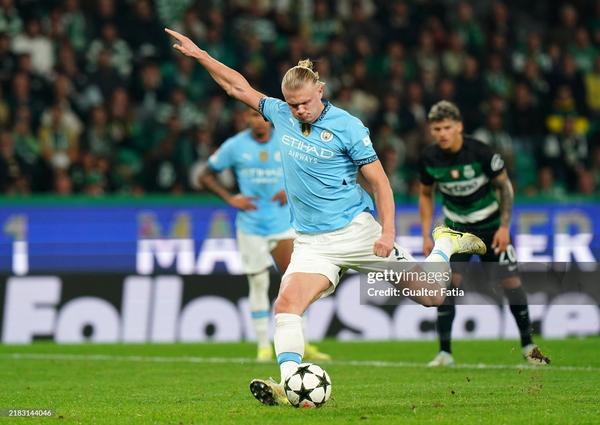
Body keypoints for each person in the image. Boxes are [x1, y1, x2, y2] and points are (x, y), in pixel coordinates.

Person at [165, 28, 486, 406]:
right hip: (312, 243)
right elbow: (238, 87)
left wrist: (388, 233)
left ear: (320, 90)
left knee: (431, 296)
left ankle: (446, 244)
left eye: (304, 103)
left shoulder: (348, 127)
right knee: (285, 306)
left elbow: (381, 184)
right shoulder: (281, 114)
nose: (299, 110)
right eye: (292, 104)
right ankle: (290, 384)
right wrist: (201, 54)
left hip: (357, 232)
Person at [419, 100, 550, 367]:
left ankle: (528, 346)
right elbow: (425, 193)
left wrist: (504, 227)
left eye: (446, 127)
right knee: (447, 287)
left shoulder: (480, 152)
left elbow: (505, 188)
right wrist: (425, 233)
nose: (442, 133)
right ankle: (445, 353)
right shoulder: (430, 158)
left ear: (459, 127)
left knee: (511, 284)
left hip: (491, 227)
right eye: (437, 129)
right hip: (456, 231)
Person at [200, 107, 331, 362]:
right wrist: (230, 198)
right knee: (258, 284)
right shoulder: (234, 146)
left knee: (296, 282)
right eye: (251, 116)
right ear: (244, 119)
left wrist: (292, 190)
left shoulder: (289, 139)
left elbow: (313, 169)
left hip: (283, 224)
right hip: (251, 225)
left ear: (269, 120)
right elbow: (204, 176)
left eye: (260, 116)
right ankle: (262, 346)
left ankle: (302, 341)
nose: (257, 121)